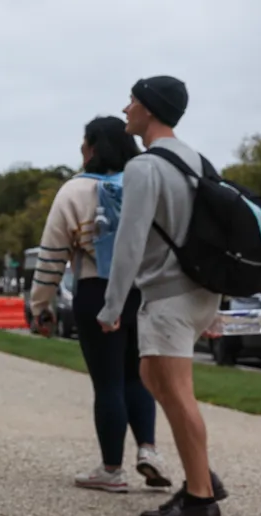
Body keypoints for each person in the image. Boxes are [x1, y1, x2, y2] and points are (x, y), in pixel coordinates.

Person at [98, 76, 228, 516]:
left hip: (170, 294)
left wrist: (112, 307)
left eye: (132, 101)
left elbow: (129, 243)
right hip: (197, 290)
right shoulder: (197, 160)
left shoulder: (145, 167)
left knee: (175, 389)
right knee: (152, 375)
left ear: (150, 109)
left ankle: (200, 500)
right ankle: (201, 473)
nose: (126, 108)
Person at [31, 115, 168, 494]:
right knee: (138, 377)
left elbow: (52, 256)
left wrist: (41, 305)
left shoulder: (74, 192)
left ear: (91, 147)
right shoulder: (144, 185)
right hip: (142, 292)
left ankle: (111, 469)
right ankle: (149, 451)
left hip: (96, 290)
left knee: (107, 383)